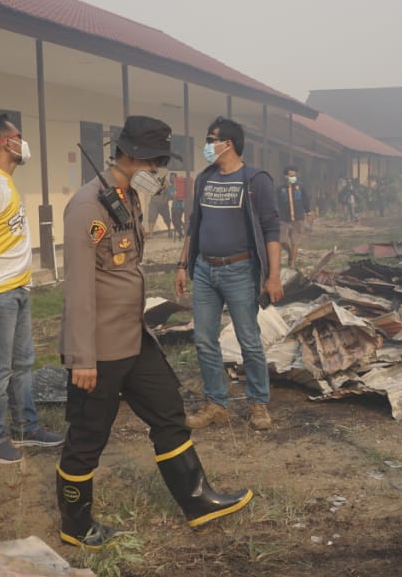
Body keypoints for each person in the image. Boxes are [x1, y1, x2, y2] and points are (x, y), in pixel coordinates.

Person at [58, 115, 252, 547]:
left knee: (168, 410)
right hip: (100, 348)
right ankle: (74, 524)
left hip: (133, 336)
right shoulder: (89, 206)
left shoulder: (125, 198)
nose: (159, 171)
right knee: (88, 437)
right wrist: (81, 357)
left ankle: (198, 500)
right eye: (155, 162)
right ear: (131, 156)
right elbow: (79, 288)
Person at [0, 114, 63, 464]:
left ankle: (26, 426)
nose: (23, 142)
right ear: (4, 144)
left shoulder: (5, 181)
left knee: (23, 364)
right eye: (18, 136)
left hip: (18, 289)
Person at [174, 117, 283, 431]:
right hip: (205, 270)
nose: (207, 146)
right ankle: (216, 404)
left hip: (240, 270)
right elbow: (193, 227)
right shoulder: (205, 179)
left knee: (249, 340)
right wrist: (183, 266)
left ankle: (258, 403)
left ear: (228, 144)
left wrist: (273, 276)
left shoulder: (256, 180)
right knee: (204, 339)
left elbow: (271, 230)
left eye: (211, 140)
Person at [276, 166, 311, 269]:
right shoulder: (280, 188)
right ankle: (290, 253)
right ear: (286, 176)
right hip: (284, 219)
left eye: (294, 175)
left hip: (298, 218)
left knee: (295, 241)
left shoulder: (300, 186)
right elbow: (275, 202)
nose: (293, 177)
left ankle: (292, 263)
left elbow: (305, 199)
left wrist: (308, 213)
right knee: (282, 241)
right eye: (291, 175)